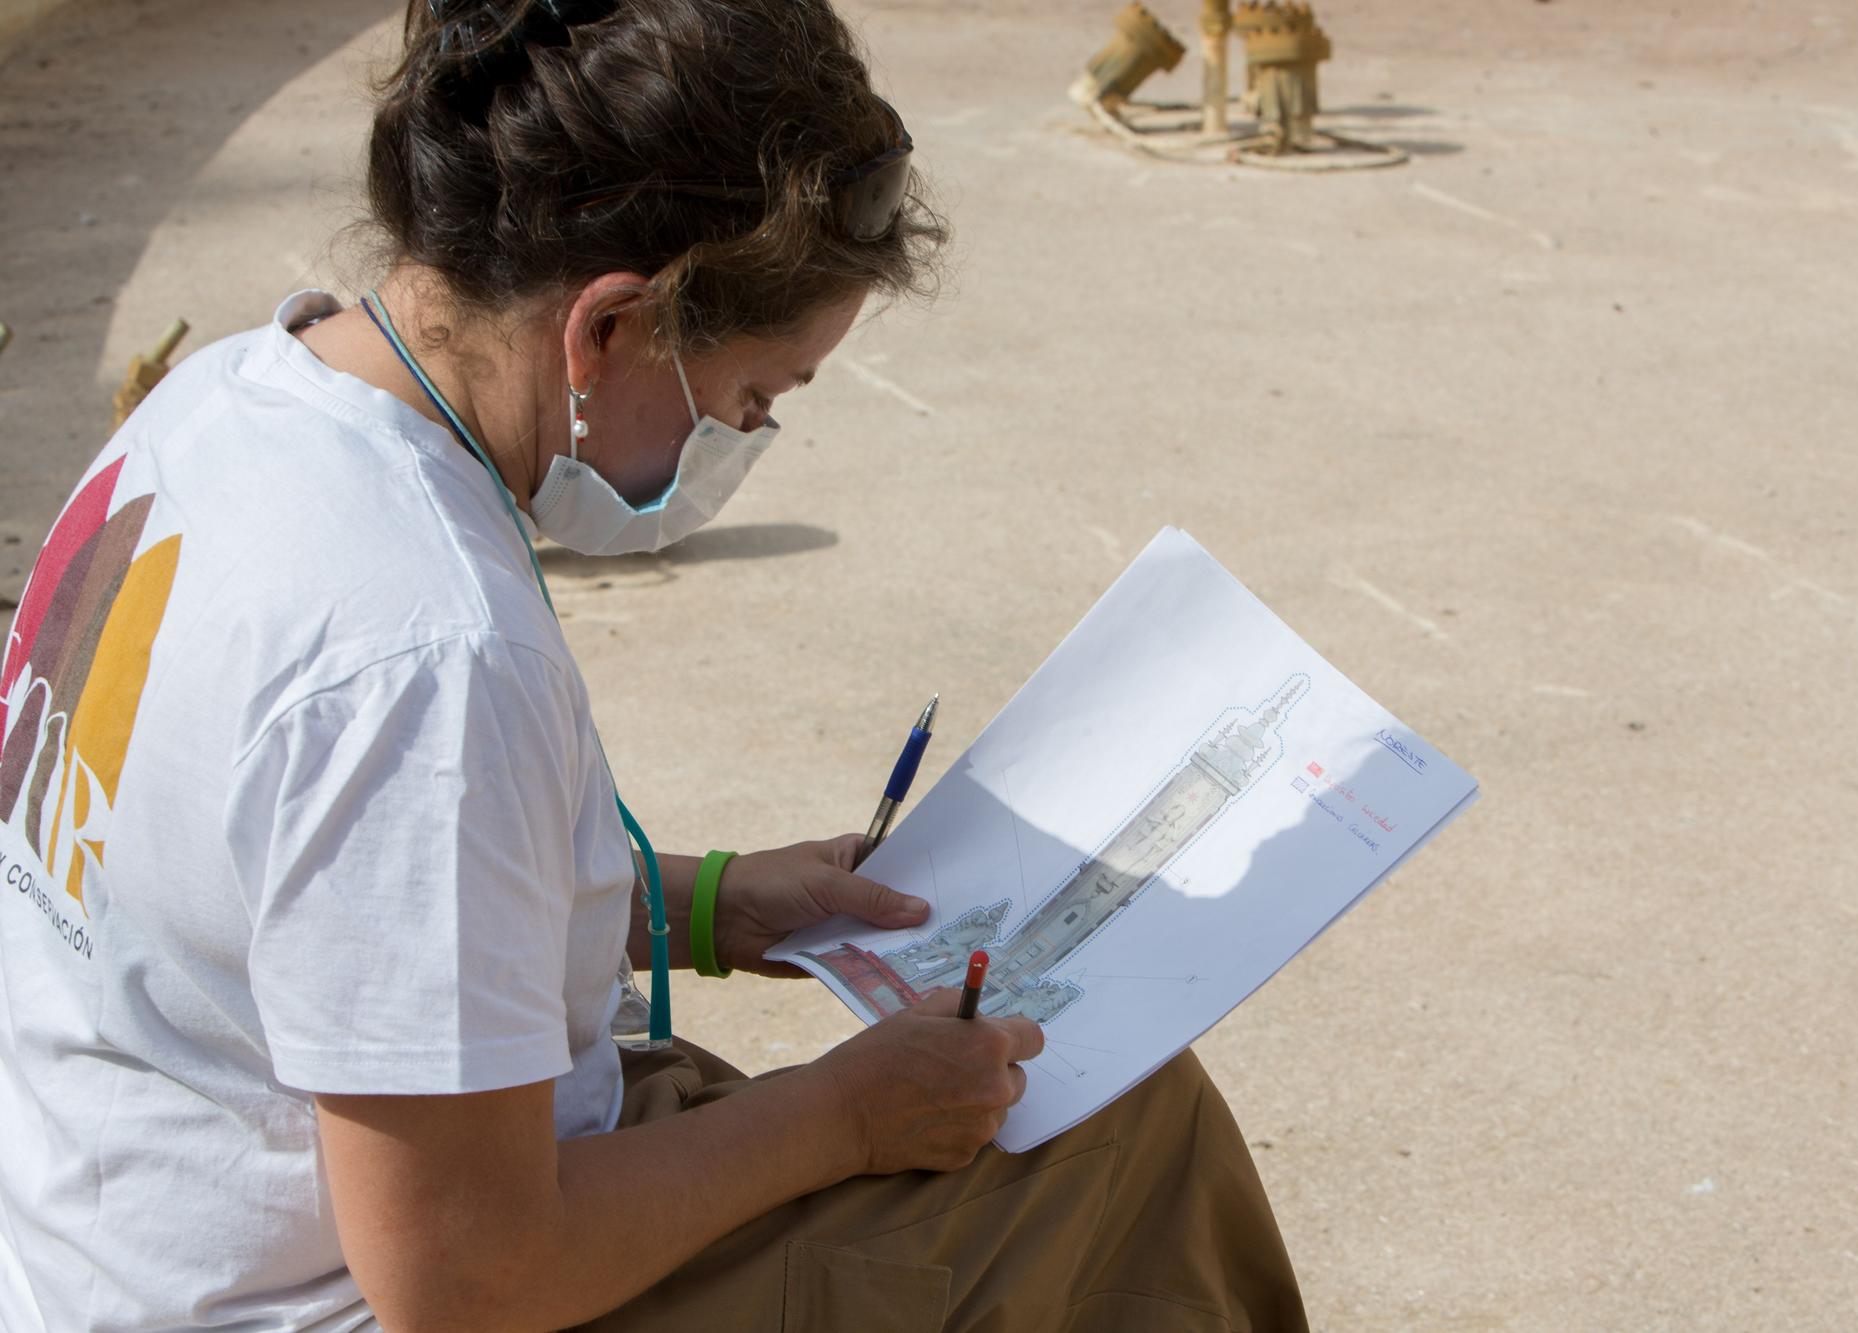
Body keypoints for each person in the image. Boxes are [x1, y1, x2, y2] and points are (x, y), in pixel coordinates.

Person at [0, 0, 1309, 1327]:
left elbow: (319, 904)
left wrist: (704, 904)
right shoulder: (420, 652)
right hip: (333, 1288)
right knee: (1126, 1139)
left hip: (118, 1240)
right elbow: (466, 1279)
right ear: (608, 328)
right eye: (754, 398)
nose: (742, 442)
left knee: (1075, 1115)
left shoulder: (229, 399)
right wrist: (842, 1114)